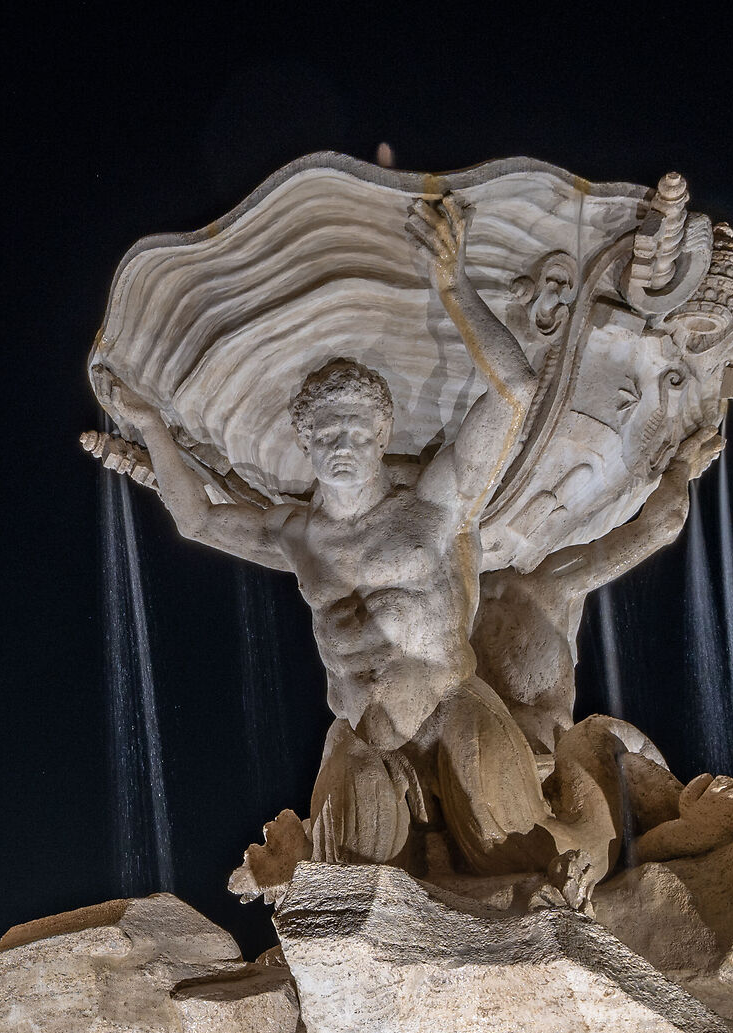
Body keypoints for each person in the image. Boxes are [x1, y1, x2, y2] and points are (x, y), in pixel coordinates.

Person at [105, 197, 560, 874]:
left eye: (355, 429)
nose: (340, 443)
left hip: (449, 710)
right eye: (325, 432)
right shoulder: (296, 533)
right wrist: (150, 425)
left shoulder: (433, 506)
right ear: (304, 441)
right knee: (348, 902)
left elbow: (517, 390)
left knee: (516, 868)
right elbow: (195, 520)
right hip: (361, 734)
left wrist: (452, 285)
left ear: (382, 435)